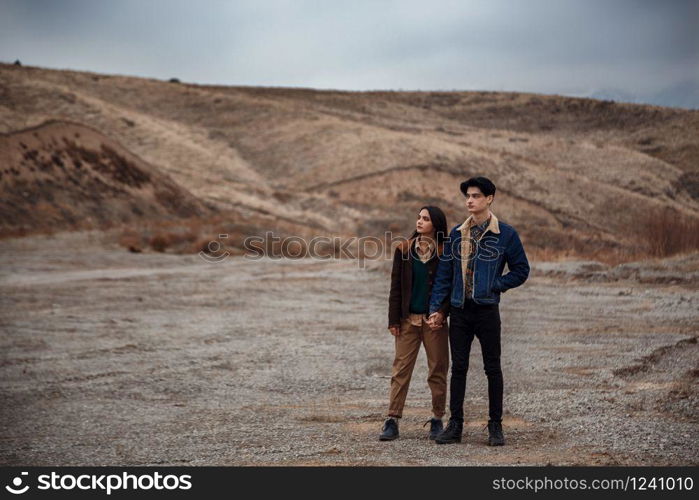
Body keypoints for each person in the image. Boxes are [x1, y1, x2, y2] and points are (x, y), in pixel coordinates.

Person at [427, 177, 529, 446]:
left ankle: (495, 426)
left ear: (490, 198)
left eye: (475, 196)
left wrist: (497, 284)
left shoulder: (505, 234)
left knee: (492, 368)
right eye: (467, 196)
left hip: (486, 311)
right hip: (460, 311)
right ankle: (455, 425)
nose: (469, 200)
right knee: (458, 368)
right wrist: (437, 309)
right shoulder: (457, 234)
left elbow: (521, 270)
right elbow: (444, 277)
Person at [380, 206, 451, 441]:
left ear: (436, 225)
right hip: (407, 321)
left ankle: (437, 419)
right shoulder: (403, 250)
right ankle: (392, 420)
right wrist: (393, 319)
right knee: (401, 370)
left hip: (434, 323)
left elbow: (449, 288)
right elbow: (395, 288)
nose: (420, 222)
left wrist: (442, 313)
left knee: (437, 370)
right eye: (419, 218)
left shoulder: (446, 252)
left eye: (426, 219)